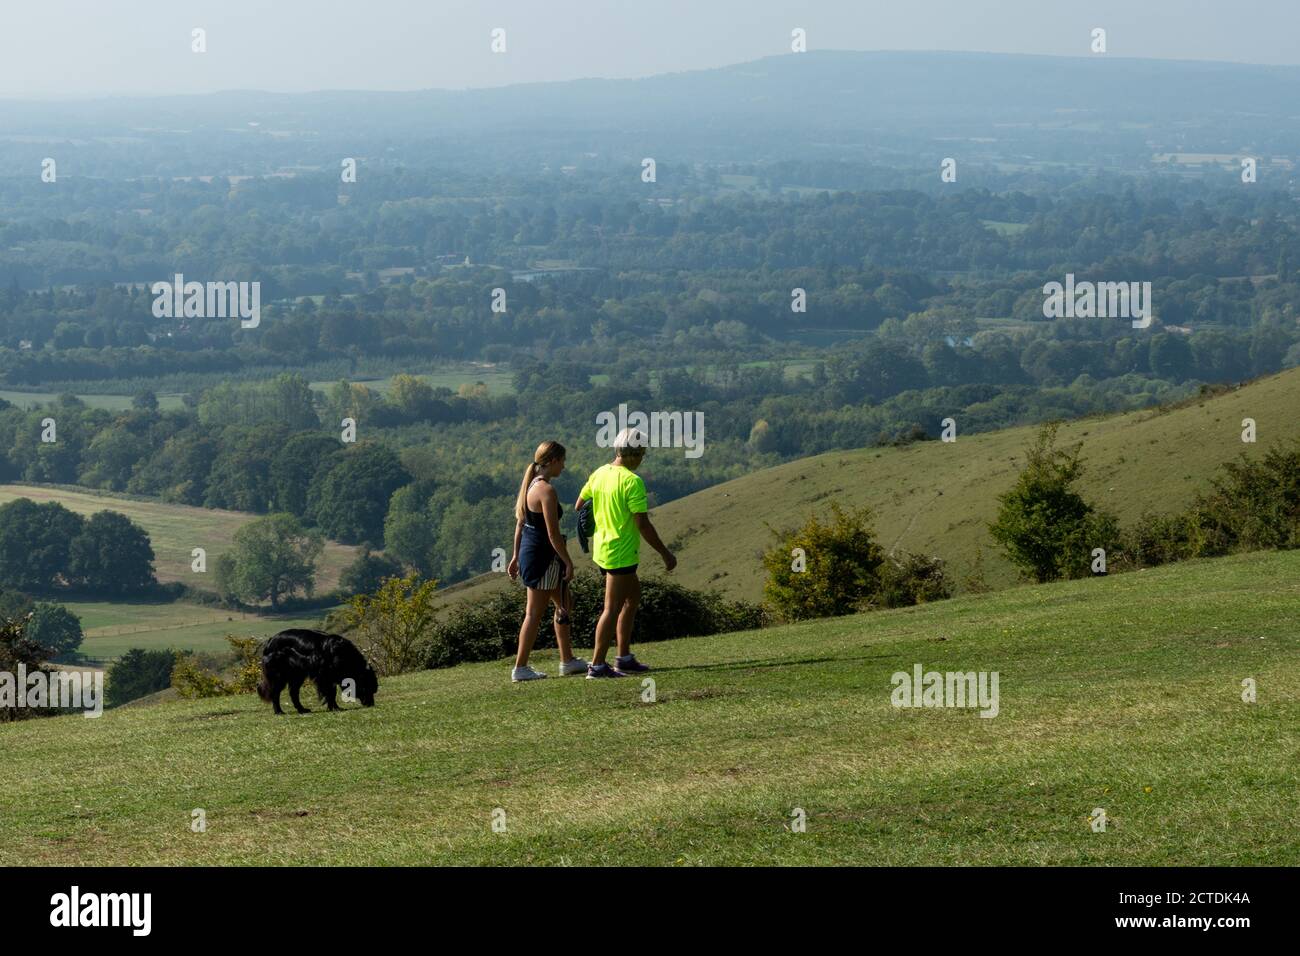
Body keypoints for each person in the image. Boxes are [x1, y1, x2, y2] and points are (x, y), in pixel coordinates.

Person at [575, 427, 676, 679]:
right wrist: (665, 554)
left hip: (604, 549)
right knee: (612, 608)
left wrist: (602, 513)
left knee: (632, 600)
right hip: (620, 552)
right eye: (641, 455)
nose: (642, 460)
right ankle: (597, 666)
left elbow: (579, 505)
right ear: (631, 454)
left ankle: (624, 658)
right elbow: (643, 524)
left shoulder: (599, 473)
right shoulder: (632, 482)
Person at [507, 440, 587, 682]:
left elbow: (521, 524)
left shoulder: (530, 486)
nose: (564, 466)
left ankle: (568, 660)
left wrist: (514, 556)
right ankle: (520, 667)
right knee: (534, 613)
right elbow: (552, 533)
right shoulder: (547, 491)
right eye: (562, 461)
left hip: (531, 555)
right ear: (552, 461)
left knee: (564, 604)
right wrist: (568, 561)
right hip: (544, 558)